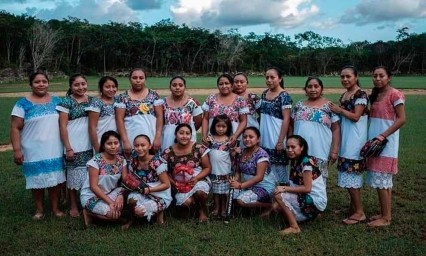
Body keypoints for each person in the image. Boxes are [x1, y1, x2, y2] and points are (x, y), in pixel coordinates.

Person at [10, 72, 66, 220]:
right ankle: (39, 210)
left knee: (55, 181)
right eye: (37, 82)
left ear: (48, 83)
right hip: (32, 150)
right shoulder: (22, 104)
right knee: (36, 182)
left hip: (54, 148)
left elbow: (65, 123)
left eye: (44, 81)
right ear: (31, 84)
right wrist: (17, 150)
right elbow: (15, 127)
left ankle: (56, 208)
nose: (41, 84)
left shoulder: (57, 101)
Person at [365, 66, 406, 227]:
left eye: (381, 76)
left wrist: (383, 135)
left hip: (386, 144)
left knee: (382, 181)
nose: (377, 78)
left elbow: (402, 119)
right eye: (375, 76)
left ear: (388, 77)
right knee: (383, 182)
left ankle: (386, 218)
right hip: (375, 143)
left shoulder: (395, 94)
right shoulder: (376, 95)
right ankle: (384, 213)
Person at [328, 66, 369, 225]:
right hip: (346, 139)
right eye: (342, 76)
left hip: (355, 140)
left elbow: (356, 116)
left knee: (350, 175)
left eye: (348, 76)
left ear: (356, 77)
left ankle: (359, 212)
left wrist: (339, 110)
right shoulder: (345, 94)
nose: (345, 79)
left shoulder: (361, 94)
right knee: (349, 175)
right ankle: (353, 209)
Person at [273, 135, 327, 236]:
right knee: (277, 207)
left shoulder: (306, 163)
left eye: (293, 147)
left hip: (315, 200)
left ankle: (294, 227)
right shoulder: (295, 161)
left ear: (301, 148)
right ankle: (309, 216)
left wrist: (284, 188)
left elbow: (307, 188)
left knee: (278, 195)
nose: (289, 150)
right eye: (288, 147)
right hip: (308, 197)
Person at [57, 74, 94, 217]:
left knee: (89, 175)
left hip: (89, 144)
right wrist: (68, 147)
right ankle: (73, 205)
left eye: (83, 84)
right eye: (77, 85)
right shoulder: (66, 102)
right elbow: (62, 126)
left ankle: (87, 202)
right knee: (72, 175)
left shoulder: (92, 101)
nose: (81, 87)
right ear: (71, 86)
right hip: (74, 145)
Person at [291, 76, 340, 184]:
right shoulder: (299, 105)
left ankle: (318, 200)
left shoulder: (329, 106)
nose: (313, 89)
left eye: (316, 86)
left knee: (318, 181)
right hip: (299, 151)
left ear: (321, 89)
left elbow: (336, 129)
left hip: (320, 150)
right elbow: (291, 125)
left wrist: (335, 151)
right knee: (299, 177)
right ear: (305, 89)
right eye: (309, 87)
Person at [161, 123, 212, 222]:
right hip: (180, 185)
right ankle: (192, 208)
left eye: (187, 133)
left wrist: (197, 178)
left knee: (200, 193)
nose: (184, 136)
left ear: (191, 135)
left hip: (198, 180)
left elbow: (207, 168)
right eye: (181, 133)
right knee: (186, 203)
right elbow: (164, 172)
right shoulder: (168, 152)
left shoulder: (199, 148)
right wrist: (174, 183)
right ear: (176, 134)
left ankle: (202, 211)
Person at [80, 131, 128, 228]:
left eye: (116, 143)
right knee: (113, 216)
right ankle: (88, 212)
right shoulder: (95, 161)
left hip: (110, 193)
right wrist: (110, 202)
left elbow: (125, 182)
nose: (113, 146)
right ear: (103, 145)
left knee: (128, 194)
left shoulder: (122, 160)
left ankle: (111, 213)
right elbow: (93, 187)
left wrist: (120, 196)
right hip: (92, 196)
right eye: (109, 143)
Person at [123, 134, 172, 229]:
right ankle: (132, 220)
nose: (139, 148)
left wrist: (150, 190)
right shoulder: (134, 161)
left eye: (143, 145)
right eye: (136, 146)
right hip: (142, 191)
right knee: (131, 201)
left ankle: (159, 213)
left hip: (159, 193)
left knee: (139, 211)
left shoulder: (157, 162)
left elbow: (166, 184)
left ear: (149, 146)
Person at [115, 68, 163, 157]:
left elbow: (160, 116)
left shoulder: (153, 95)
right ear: (130, 79)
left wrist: (157, 137)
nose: (138, 80)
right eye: (134, 78)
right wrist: (125, 141)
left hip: (151, 138)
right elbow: (119, 120)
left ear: (145, 79)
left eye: (141, 78)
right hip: (131, 139)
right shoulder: (122, 97)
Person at [259, 68, 292, 184]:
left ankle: (282, 197)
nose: (269, 80)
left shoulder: (284, 96)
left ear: (280, 79)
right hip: (264, 138)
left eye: (272, 77)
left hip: (277, 137)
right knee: (266, 170)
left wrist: (280, 141)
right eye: (267, 77)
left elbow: (287, 119)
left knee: (280, 172)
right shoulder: (264, 94)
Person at [229, 127, 275, 210]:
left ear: (258, 139)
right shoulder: (241, 152)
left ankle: (271, 206)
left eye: (251, 137)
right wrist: (235, 181)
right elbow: (238, 171)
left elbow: (259, 177)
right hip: (249, 186)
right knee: (228, 194)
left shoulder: (262, 155)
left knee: (240, 201)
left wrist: (240, 186)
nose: (247, 139)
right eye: (245, 137)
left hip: (263, 187)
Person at [202, 73, 248, 146]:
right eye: (221, 84)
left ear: (232, 85)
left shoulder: (240, 100)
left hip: (232, 139)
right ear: (217, 86)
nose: (224, 86)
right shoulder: (210, 98)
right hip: (212, 138)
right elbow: (205, 118)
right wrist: (204, 135)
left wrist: (235, 136)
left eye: (227, 83)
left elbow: (243, 121)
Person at [159, 75, 203, 150]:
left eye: (180, 85)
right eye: (174, 85)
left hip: (186, 139)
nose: (177, 87)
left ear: (185, 87)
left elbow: (198, 122)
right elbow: (159, 121)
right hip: (167, 138)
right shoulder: (162, 103)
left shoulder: (192, 103)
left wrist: (185, 131)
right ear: (170, 87)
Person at [206, 114, 234, 219]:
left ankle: (223, 208)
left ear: (228, 127)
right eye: (218, 126)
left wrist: (235, 152)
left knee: (224, 192)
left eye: (224, 126)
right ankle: (216, 207)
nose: (221, 129)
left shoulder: (229, 140)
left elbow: (232, 154)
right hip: (214, 169)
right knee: (216, 192)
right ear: (214, 126)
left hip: (224, 169)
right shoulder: (211, 139)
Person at [87, 76, 118, 152]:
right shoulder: (96, 103)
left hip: (116, 142)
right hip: (101, 141)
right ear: (101, 88)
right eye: (107, 87)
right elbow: (92, 127)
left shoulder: (118, 101)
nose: (111, 89)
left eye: (113, 87)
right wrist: (98, 148)